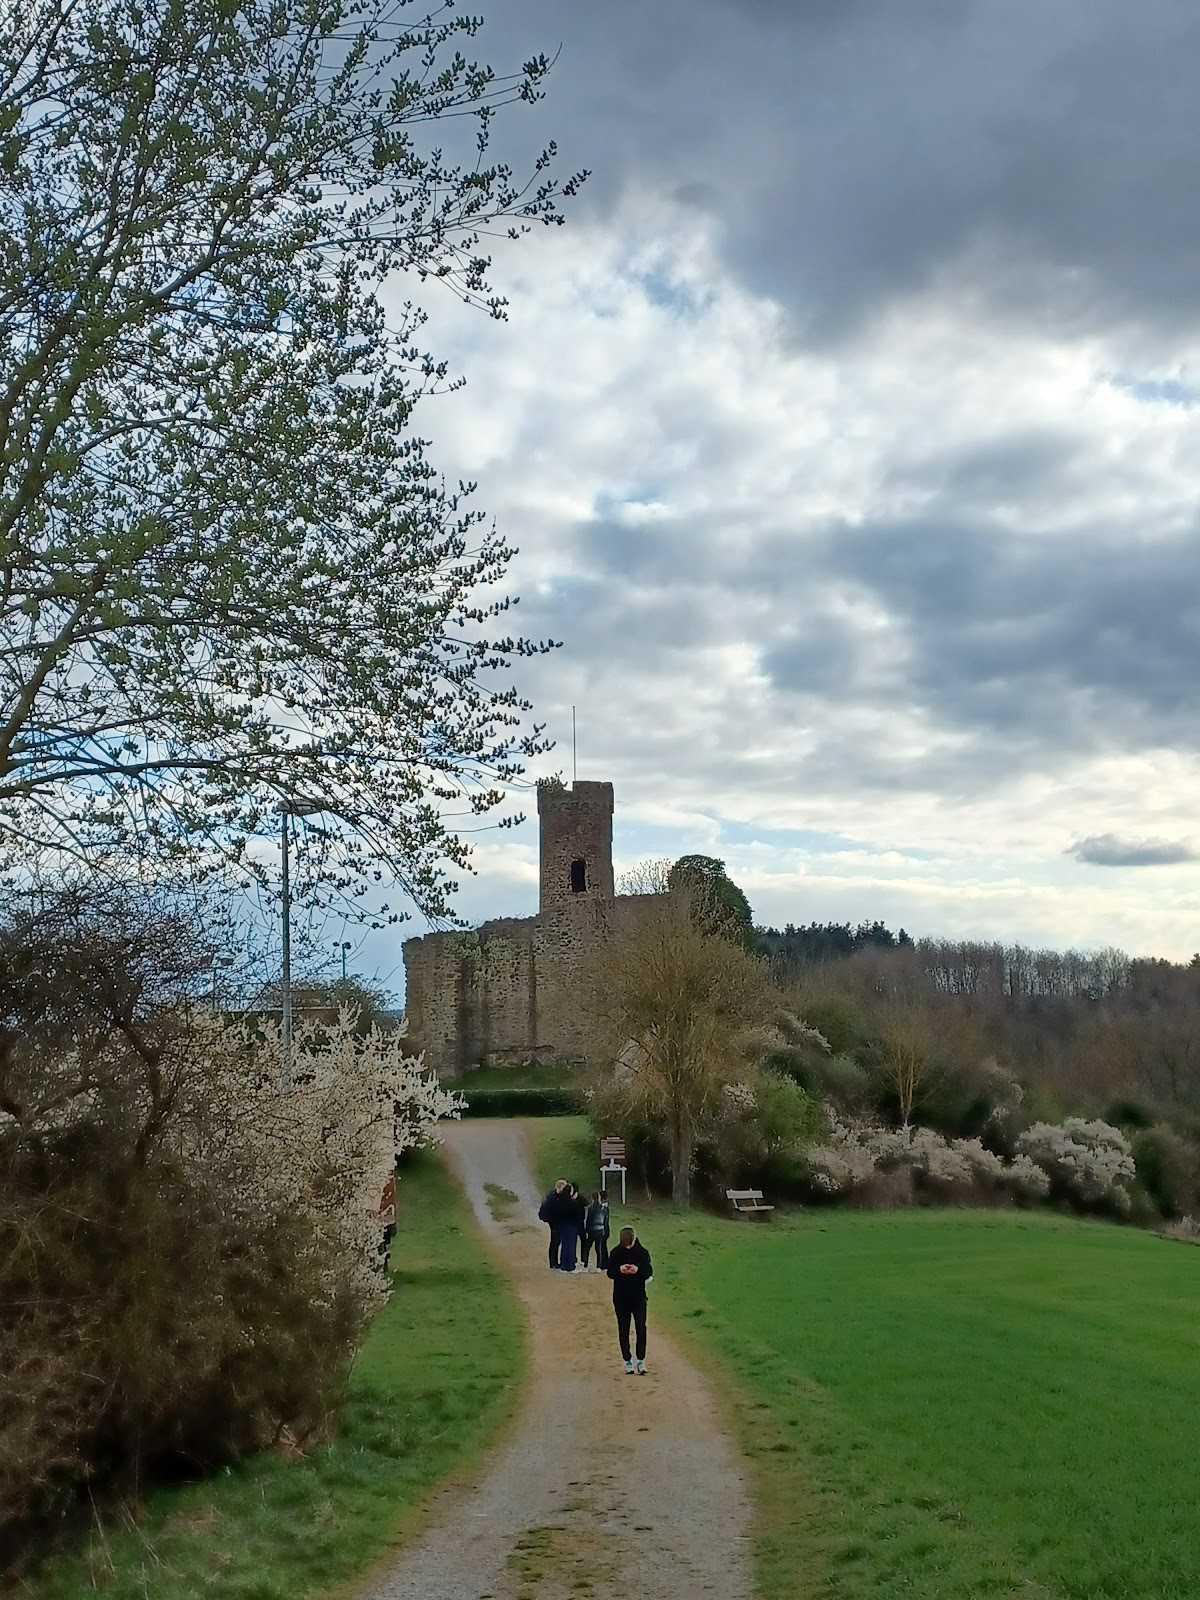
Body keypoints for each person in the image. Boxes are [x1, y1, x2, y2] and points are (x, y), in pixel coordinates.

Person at [606, 1225, 653, 1374]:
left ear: (634, 1240)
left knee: (641, 1327)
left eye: (629, 1245)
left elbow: (649, 1273)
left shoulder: (643, 1253)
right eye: (624, 1245)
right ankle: (627, 1360)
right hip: (620, 1298)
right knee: (623, 1329)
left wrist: (637, 1270)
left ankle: (641, 1360)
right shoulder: (615, 1252)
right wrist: (619, 1269)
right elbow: (609, 1272)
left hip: (638, 1297)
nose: (627, 1247)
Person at [538, 1178, 568, 1270]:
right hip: (554, 1222)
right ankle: (553, 1263)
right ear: (560, 1187)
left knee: (556, 1241)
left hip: (556, 1221)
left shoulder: (555, 1196)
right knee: (555, 1241)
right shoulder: (553, 1197)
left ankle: (555, 1262)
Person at [558, 1181, 585, 1273]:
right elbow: (578, 1216)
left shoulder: (560, 1202)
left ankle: (563, 1265)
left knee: (564, 1245)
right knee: (571, 1246)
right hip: (572, 1226)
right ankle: (570, 1266)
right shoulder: (573, 1203)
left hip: (562, 1226)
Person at [581, 1189, 610, 1272]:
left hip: (592, 1230)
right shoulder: (604, 1208)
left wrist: (587, 1230)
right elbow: (606, 1221)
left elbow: (588, 1220)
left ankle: (585, 1264)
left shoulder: (590, 1208)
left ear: (592, 1199)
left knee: (587, 1248)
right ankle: (599, 1266)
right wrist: (605, 1231)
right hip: (600, 1230)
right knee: (598, 1248)